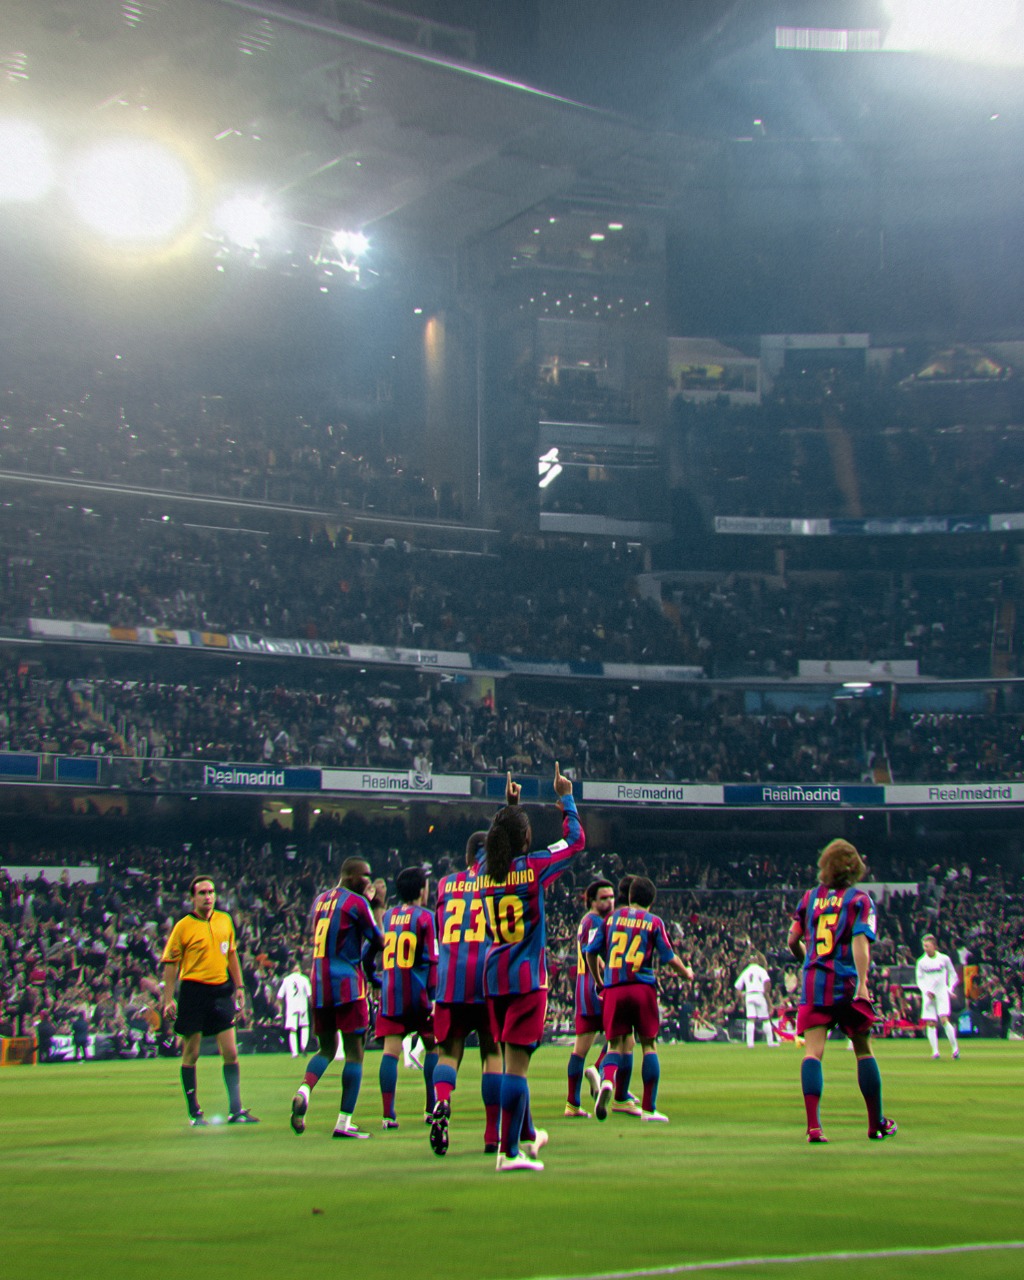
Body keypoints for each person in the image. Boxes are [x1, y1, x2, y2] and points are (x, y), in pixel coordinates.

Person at [482, 764, 585, 1172]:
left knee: (510, 1060)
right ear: (525, 838)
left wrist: (509, 808)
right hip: (526, 978)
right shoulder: (534, 866)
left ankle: (525, 1136)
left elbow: (497, 841)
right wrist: (567, 797)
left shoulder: (483, 872)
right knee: (517, 1068)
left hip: (494, 977)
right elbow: (575, 842)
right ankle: (509, 1153)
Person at [787, 838, 897, 1144]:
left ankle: (814, 1127)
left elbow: (792, 940)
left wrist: (808, 961)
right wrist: (862, 983)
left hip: (815, 984)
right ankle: (875, 1123)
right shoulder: (859, 900)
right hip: (846, 982)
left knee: (813, 1053)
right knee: (863, 1049)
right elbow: (861, 943)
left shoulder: (809, 898)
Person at [584, 875, 693, 1123]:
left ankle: (607, 1081)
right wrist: (686, 973)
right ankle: (649, 1109)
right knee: (648, 1045)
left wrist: (600, 980)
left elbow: (590, 952)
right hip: (642, 987)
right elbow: (669, 957)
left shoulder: (611, 919)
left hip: (614, 988)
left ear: (630, 897)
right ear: (651, 901)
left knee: (615, 1045)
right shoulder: (653, 922)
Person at [290, 856, 383, 1140]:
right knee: (355, 1053)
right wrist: (376, 906)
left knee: (326, 1049)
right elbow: (379, 940)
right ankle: (344, 1122)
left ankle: (304, 1090)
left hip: (320, 984)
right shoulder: (357, 903)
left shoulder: (320, 900)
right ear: (351, 876)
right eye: (365, 875)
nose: (369, 881)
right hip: (347, 985)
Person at [160, 874, 258, 1126]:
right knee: (191, 1054)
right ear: (192, 898)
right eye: (202, 893)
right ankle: (194, 1113)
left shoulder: (225, 920)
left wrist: (239, 986)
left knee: (231, 1052)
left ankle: (235, 1110)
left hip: (221, 991)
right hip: (194, 992)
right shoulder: (183, 926)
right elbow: (171, 963)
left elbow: (232, 954)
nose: (208, 897)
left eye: (211, 892)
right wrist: (168, 999)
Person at [428, 830, 503, 1158]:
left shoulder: (445, 884)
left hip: (451, 977)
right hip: (488, 976)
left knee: (448, 1052)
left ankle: (442, 1102)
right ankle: (491, 1134)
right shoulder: (502, 882)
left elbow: (440, 927)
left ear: (468, 856)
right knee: (492, 1053)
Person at [376, 866, 438, 1130]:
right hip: (419, 993)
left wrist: (375, 979)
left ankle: (388, 1115)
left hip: (392, 992)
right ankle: (430, 1109)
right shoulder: (427, 917)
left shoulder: (388, 916)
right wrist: (434, 997)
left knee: (390, 1052)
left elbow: (371, 951)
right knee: (433, 1047)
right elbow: (433, 959)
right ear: (422, 890)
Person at [565, 878, 615, 1118]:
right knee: (622, 1036)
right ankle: (600, 1071)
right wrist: (604, 974)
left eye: (612, 897)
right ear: (592, 901)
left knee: (579, 1049)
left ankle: (572, 1104)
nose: (610, 902)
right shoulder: (595, 922)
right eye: (604, 898)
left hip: (583, 989)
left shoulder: (585, 921)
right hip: (597, 986)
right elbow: (592, 953)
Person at [915, 934, 960, 1060]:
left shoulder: (944, 959)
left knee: (944, 1019)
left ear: (934, 946)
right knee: (930, 1023)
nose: (925, 948)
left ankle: (955, 1049)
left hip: (941, 993)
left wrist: (950, 988)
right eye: (924, 946)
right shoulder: (921, 962)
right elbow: (919, 980)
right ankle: (935, 1052)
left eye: (927, 946)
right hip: (929, 995)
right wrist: (926, 991)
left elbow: (953, 974)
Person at [734, 952, 777, 1048]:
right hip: (759, 994)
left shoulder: (746, 971)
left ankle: (750, 1044)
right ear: (757, 961)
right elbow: (767, 982)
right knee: (765, 1019)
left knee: (751, 1020)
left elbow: (737, 986)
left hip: (749, 995)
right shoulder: (761, 970)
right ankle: (770, 1042)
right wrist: (766, 994)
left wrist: (741, 1000)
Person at [277, 959, 313, 1058]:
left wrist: (280, 1009)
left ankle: (294, 1053)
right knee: (305, 1026)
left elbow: (279, 996)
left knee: (292, 1029)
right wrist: (312, 1006)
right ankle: (303, 1046)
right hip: (302, 1006)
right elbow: (309, 995)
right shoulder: (304, 979)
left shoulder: (286, 979)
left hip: (291, 1007)